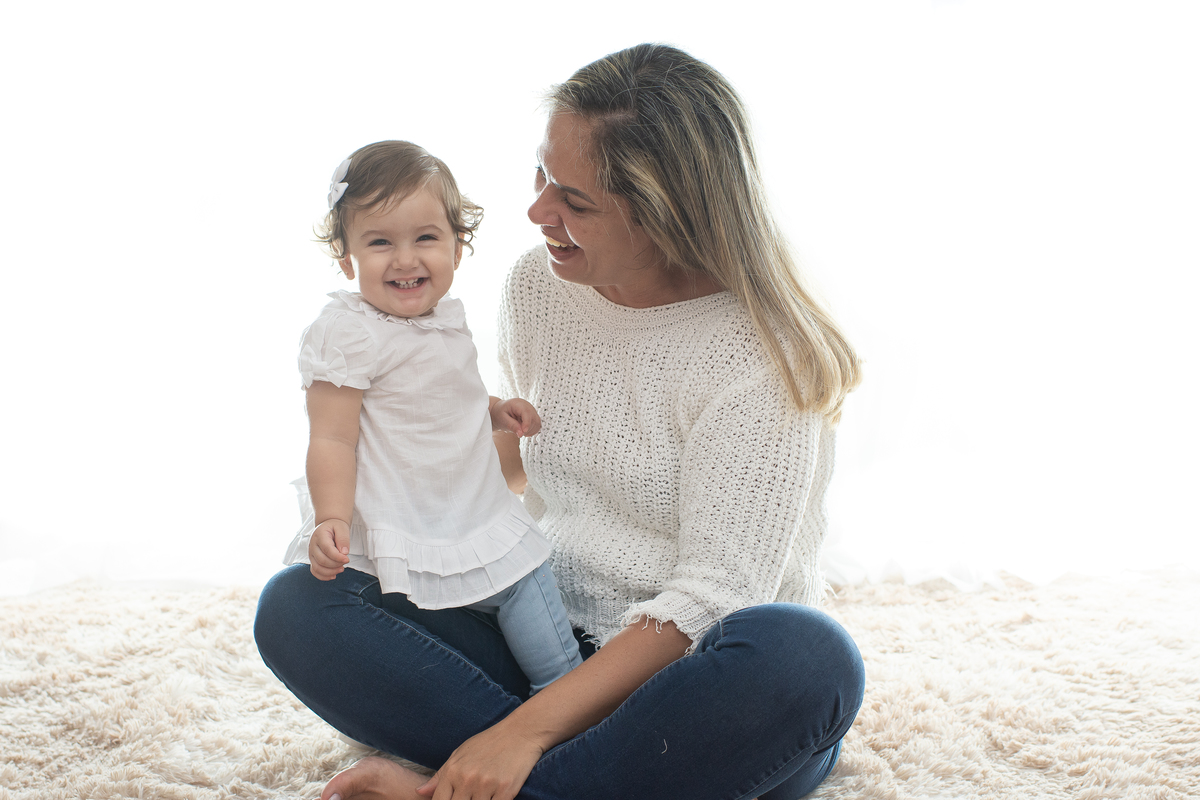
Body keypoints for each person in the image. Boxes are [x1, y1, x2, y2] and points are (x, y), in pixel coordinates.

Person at [255, 44, 865, 800]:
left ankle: (506, 779)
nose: (538, 211)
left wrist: (520, 733)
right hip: (542, 639)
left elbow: (712, 599)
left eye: (574, 201)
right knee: (300, 605)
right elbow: (541, 466)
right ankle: (574, 785)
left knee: (807, 658)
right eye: (542, 176)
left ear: (665, 214)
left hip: (690, 688)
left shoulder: (761, 357)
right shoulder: (538, 286)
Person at [282, 140, 581, 696]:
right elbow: (330, 438)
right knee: (381, 608)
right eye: (379, 242)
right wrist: (331, 517)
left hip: (470, 509)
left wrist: (496, 410)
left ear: (457, 248)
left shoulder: (447, 317)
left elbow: (448, 395)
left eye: (426, 238)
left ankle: (561, 693)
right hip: (400, 516)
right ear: (346, 258)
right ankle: (490, 703)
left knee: (524, 577)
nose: (405, 258)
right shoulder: (348, 331)